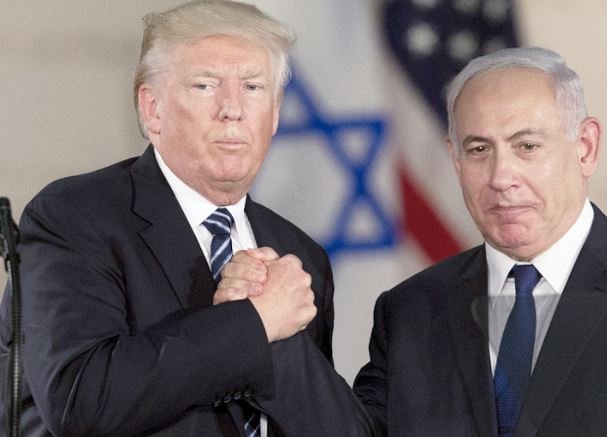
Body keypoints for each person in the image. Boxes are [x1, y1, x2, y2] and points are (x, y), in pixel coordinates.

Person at [0, 1, 373, 436]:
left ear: (274, 114)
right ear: (152, 109)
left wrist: (278, 338)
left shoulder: (299, 255)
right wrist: (251, 323)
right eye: (204, 85)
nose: (232, 108)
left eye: (253, 87)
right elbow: (80, 400)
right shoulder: (77, 216)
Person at [353, 47, 606, 436]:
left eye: (527, 146)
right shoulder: (409, 311)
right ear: (456, 160)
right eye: (479, 150)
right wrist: (276, 341)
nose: (501, 177)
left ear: (585, 147)